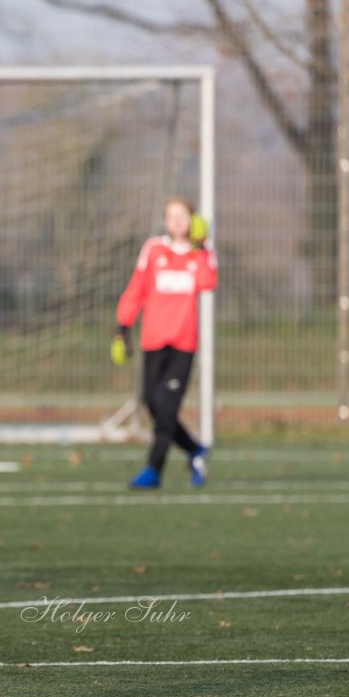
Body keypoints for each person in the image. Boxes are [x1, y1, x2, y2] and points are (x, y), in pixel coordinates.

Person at [113, 197, 218, 490]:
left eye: (182, 216)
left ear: (192, 220)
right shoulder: (154, 249)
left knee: (166, 408)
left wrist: (200, 248)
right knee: (152, 401)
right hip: (153, 341)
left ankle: (153, 471)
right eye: (171, 216)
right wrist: (123, 326)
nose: (176, 222)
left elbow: (208, 282)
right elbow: (136, 289)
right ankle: (195, 450)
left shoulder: (201, 253)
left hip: (183, 345)